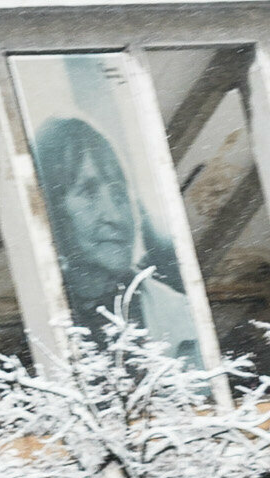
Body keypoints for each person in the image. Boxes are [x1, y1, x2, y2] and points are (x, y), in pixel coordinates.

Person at [31, 116, 200, 363]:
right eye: (88, 192)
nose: (115, 216)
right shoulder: (38, 322)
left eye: (119, 192)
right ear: (52, 212)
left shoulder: (181, 317)